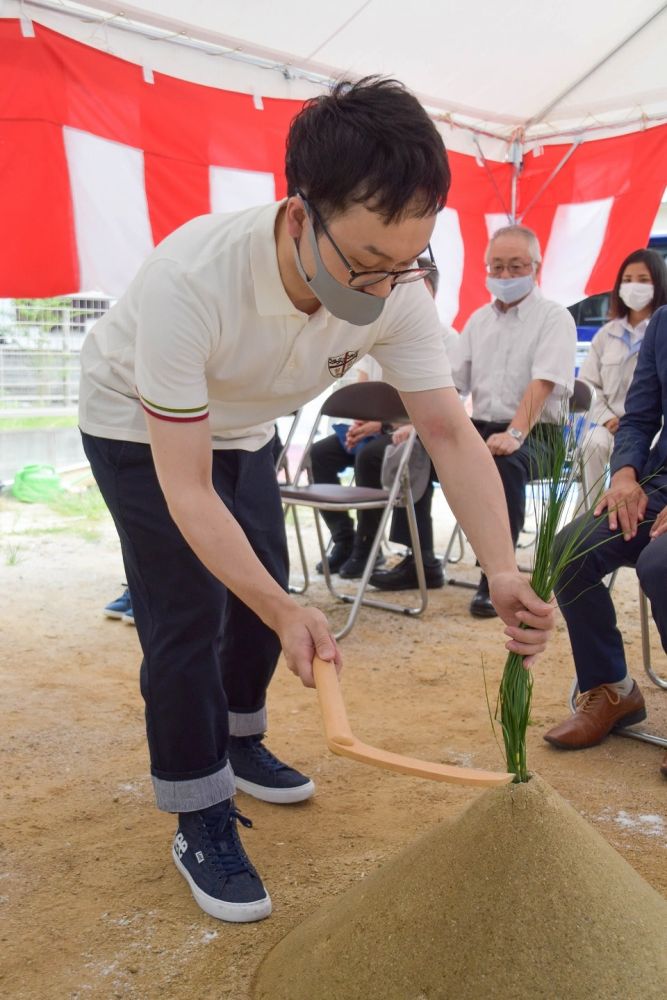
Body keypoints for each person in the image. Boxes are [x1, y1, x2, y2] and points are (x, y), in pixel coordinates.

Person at [78, 77, 555, 925]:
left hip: (245, 425)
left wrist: (498, 566)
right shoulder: (190, 280)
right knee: (188, 611)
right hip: (137, 423)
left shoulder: (398, 287)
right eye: (366, 263)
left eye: (405, 262)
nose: (383, 288)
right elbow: (184, 487)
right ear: (300, 216)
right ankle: (199, 811)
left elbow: (445, 431)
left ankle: (239, 736)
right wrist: (279, 606)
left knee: (264, 569)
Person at [545, 305, 667, 779]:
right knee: (569, 548)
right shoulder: (662, 323)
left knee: (661, 565)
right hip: (656, 485)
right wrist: (623, 475)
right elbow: (639, 416)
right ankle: (611, 689)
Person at [447, 224, 577, 617]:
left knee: (503, 464)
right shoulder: (477, 321)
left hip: (541, 431)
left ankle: (496, 576)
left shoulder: (554, 318)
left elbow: (543, 384)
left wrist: (516, 432)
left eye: (515, 266)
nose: (504, 276)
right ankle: (413, 558)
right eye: (496, 266)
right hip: (485, 426)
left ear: (535, 266)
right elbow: (454, 384)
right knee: (415, 449)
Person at [311, 262, 452, 585]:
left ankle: (368, 546)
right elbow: (364, 387)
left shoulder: (445, 339)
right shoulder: (378, 332)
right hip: (379, 428)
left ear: (431, 294)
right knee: (320, 454)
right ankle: (344, 537)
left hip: (412, 430)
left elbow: (446, 402)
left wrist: (383, 426)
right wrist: (360, 423)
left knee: (372, 454)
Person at [578, 248, 667, 505]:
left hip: (656, 429)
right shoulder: (605, 335)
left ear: (659, 283)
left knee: (650, 456)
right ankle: (589, 514)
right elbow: (587, 386)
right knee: (591, 445)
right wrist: (607, 419)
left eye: (643, 280)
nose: (633, 287)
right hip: (611, 424)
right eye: (627, 280)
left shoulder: (660, 329)